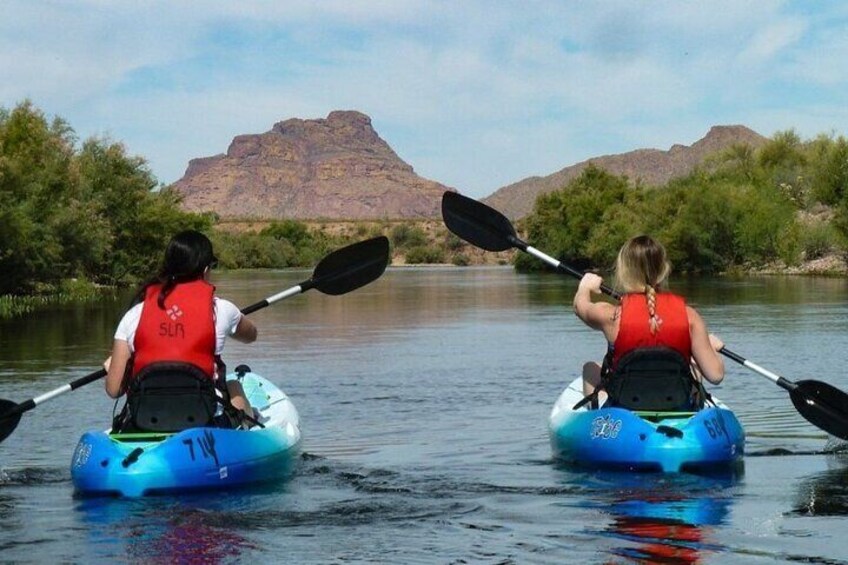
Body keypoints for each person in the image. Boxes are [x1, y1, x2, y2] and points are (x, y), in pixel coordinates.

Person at [104, 230, 257, 428]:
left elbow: (114, 390)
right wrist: (234, 321)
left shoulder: (134, 314)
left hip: (146, 420)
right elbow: (251, 336)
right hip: (206, 420)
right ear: (205, 269)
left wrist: (114, 370)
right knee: (233, 385)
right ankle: (252, 427)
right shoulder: (222, 309)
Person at [573, 235, 724, 405]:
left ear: (623, 270)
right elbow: (715, 375)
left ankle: (600, 418)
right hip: (676, 403)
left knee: (590, 368)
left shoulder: (611, 316)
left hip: (625, 405)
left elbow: (580, 307)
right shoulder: (690, 316)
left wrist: (585, 286)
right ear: (664, 269)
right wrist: (711, 348)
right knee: (694, 366)